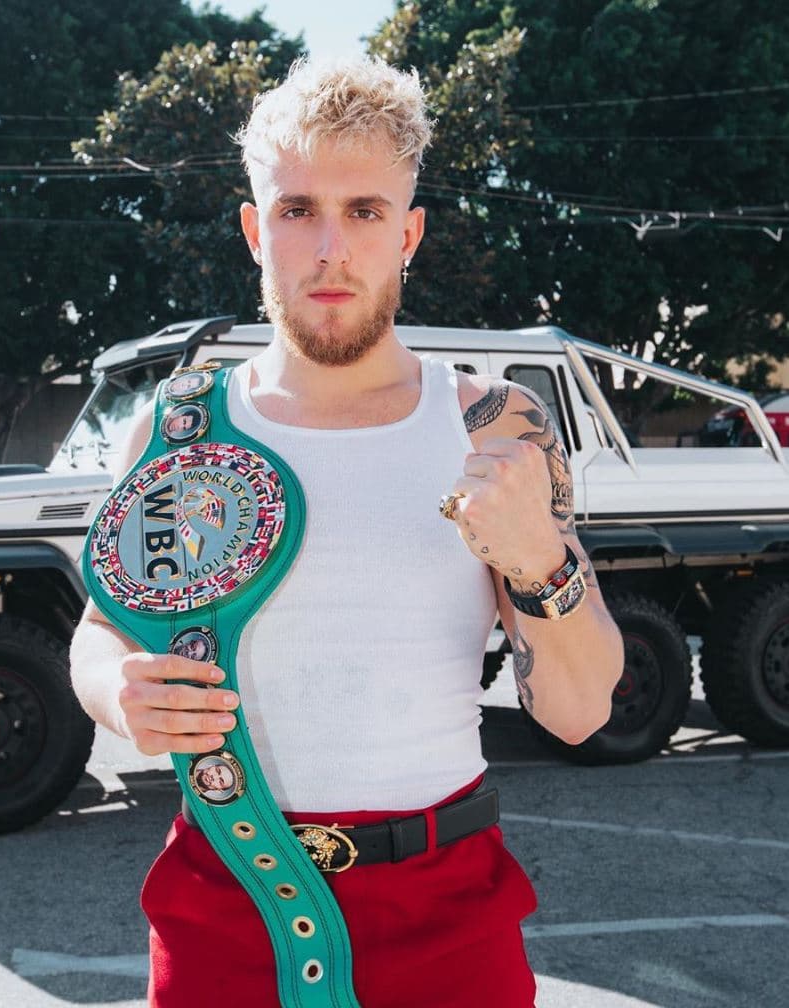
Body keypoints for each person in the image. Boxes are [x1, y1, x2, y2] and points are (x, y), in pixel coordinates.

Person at [70, 54, 623, 1008]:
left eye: (365, 211)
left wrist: (538, 559)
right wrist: (119, 694)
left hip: (449, 923)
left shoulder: (494, 424)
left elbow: (581, 709)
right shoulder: (180, 427)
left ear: (408, 233)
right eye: (298, 211)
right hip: (223, 910)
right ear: (254, 230)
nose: (331, 248)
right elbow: (104, 628)